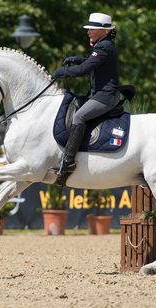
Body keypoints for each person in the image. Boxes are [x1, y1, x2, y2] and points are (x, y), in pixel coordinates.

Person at [52, 12, 120, 183]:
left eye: (92, 29)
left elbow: (85, 70)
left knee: (79, 116)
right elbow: (93, 62)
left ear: (104, 31)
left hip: (105, 97)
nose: (88, 31)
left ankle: (67, 161)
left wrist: (63, 72)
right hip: (98, 95)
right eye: (89, 28)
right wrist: (79, 59)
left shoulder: (104, 46)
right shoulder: (103, 45)